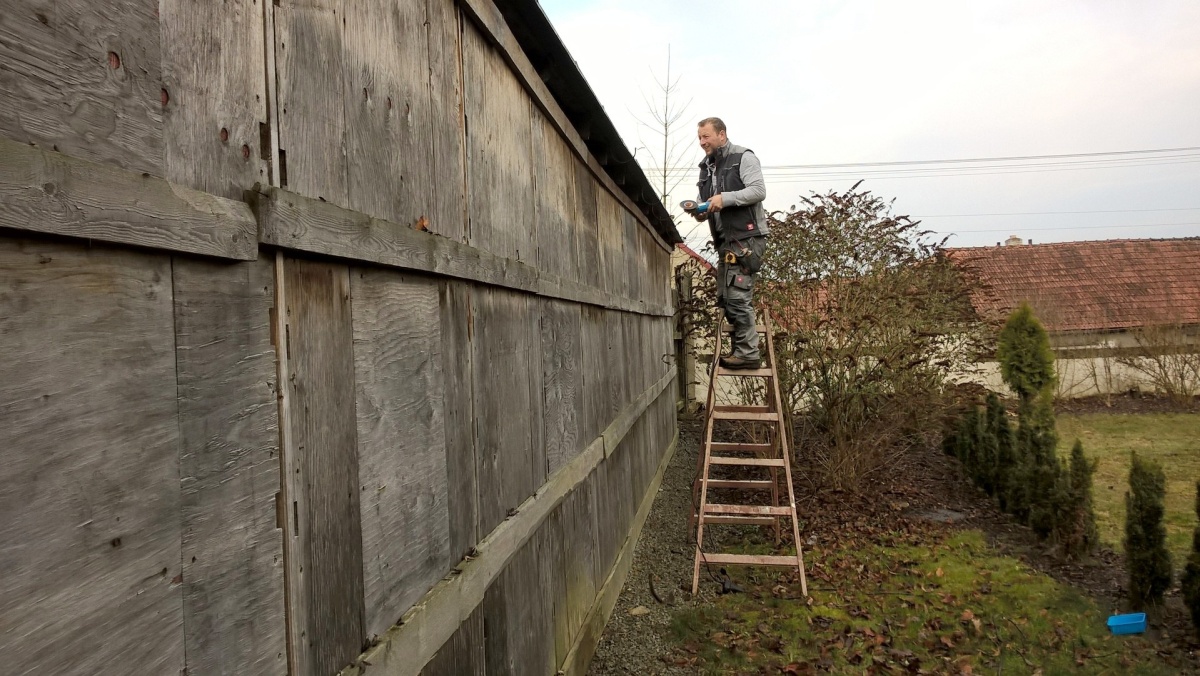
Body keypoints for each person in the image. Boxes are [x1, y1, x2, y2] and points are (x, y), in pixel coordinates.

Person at [690, 117, 768, 369]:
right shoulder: (707, 168)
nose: (702, 142)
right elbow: (707, 202)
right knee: (726, 297)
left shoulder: (744, 157)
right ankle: (740, 350)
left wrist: (725, 198)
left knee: (738, 296)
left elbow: (758, 190)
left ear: (721, 134)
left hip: (746, 239)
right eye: (699, 137)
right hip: (725, 242)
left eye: (706, 136)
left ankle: (748, 353)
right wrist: (700, 210)